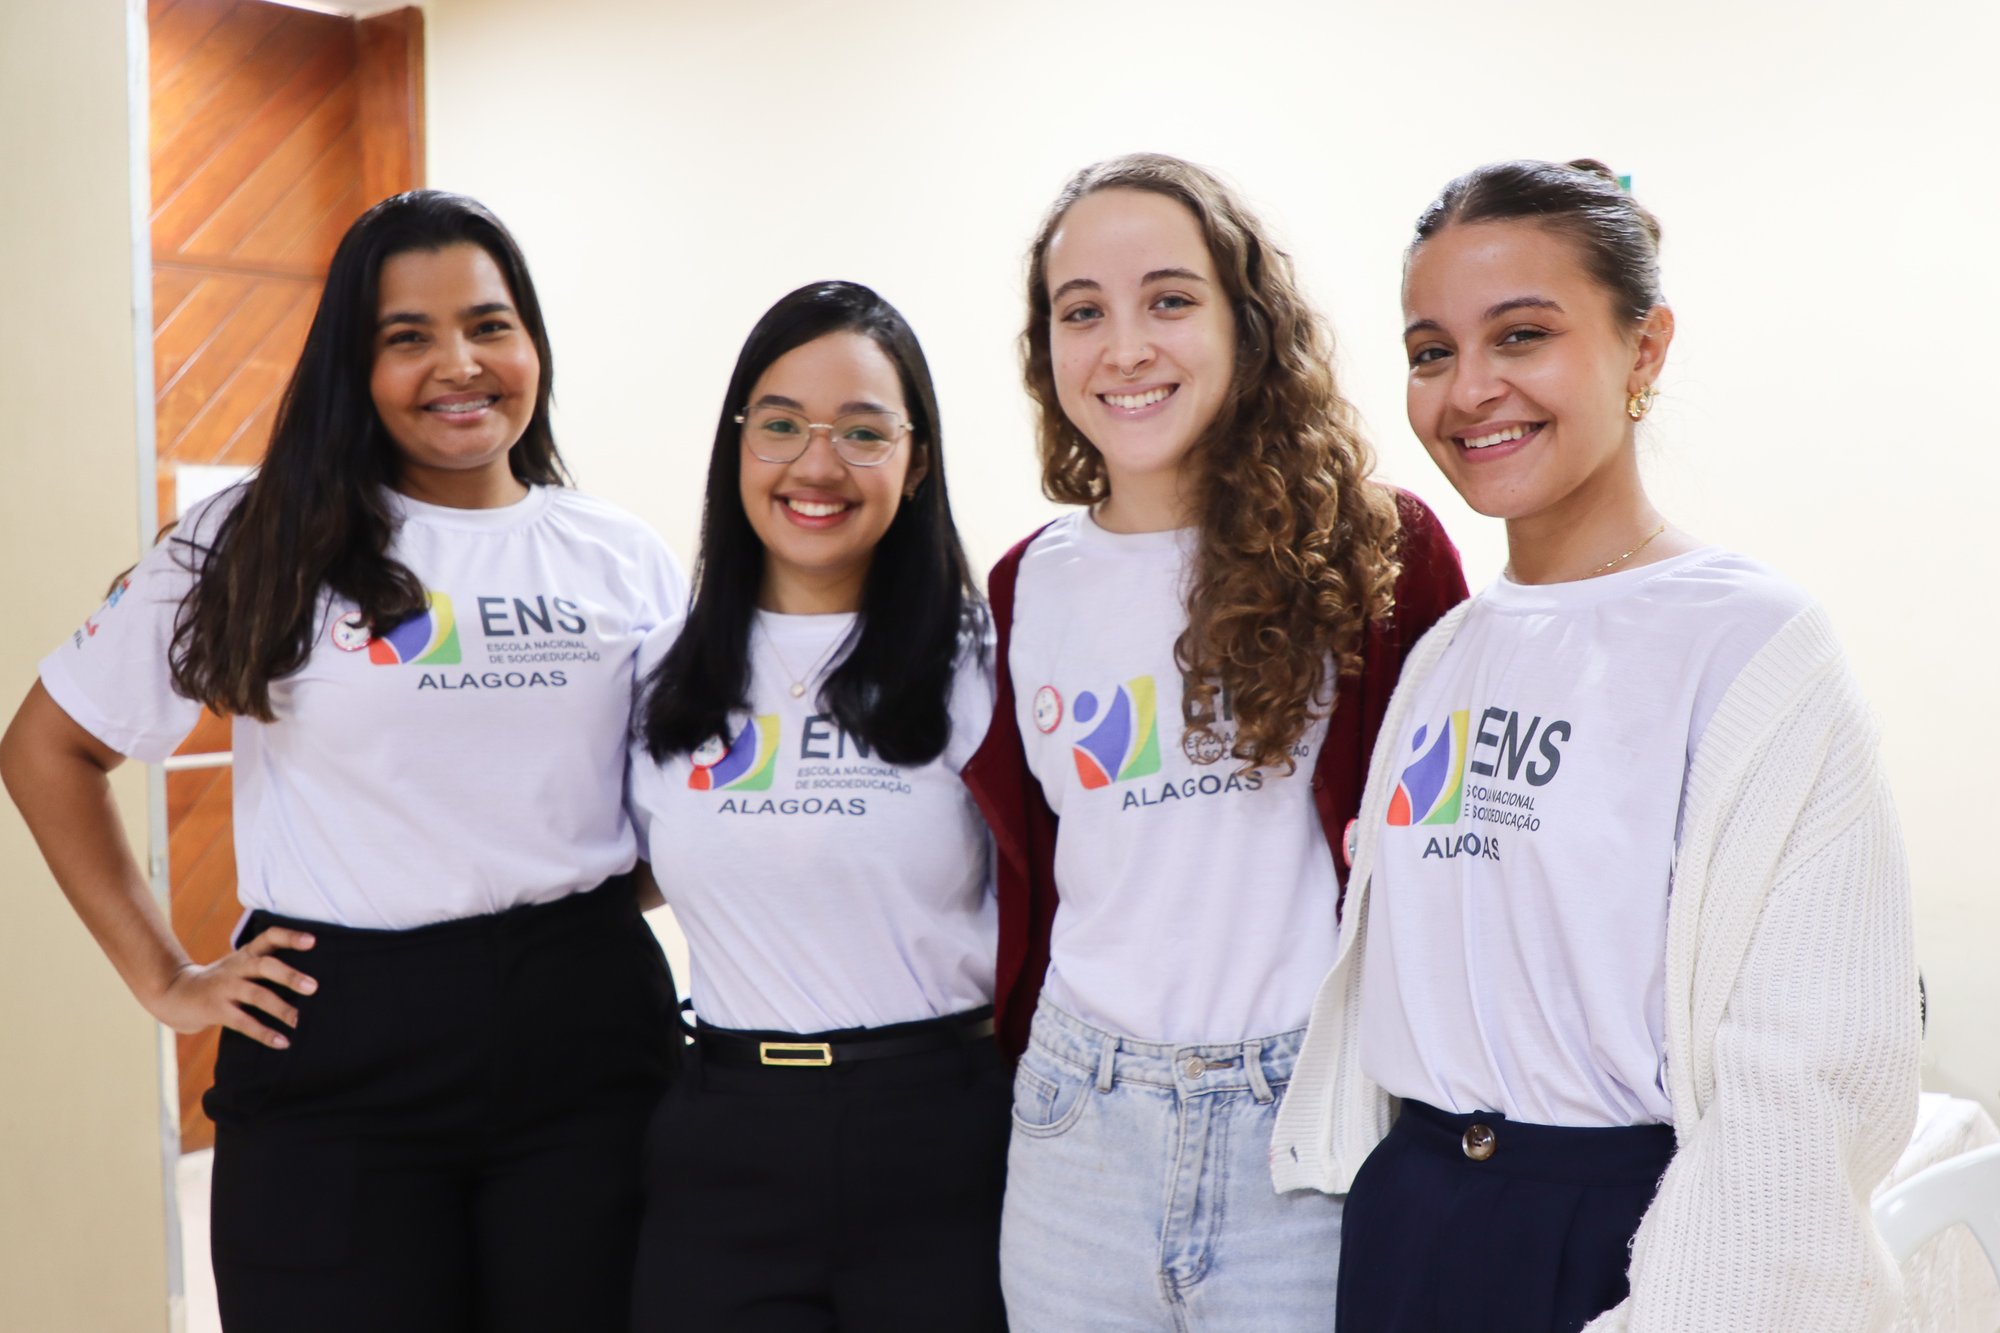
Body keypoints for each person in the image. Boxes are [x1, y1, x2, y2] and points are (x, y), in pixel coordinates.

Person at [0, 190, 684, 1333]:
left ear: (531, 342)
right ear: (352, 367)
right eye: (407, 336)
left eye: (489, 325)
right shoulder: (255, 537)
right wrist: (166, 979)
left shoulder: (620, 557)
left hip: (588, 1038)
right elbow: (48, 746)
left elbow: (672, 798)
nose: (458, 364)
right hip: (338, 1049)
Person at [1271, 159, 1921, 1333]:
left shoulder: (1751, 644)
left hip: (1630, 1238)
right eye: (1429, 350)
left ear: (1643, 349)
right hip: (1410, 1217)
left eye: (1520, 335)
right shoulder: (1446, 651)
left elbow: (1810, 1085)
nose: (1469, 388)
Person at [960, 152, 1467, 1329]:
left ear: (1245, 321)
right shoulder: (1025, 586)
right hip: (1077, 1127)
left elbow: (1450, 859)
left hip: (1307, 1131)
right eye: (1081, 311)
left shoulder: (1380, 555)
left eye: (1168, 299)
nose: (1123, 346)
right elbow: (1033, 876)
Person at [627, 281, 1006, 1331]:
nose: (816, 464)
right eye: (781, 424)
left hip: (940, 1131)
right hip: (726, 1135)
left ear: (916, 462)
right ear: (737, 444)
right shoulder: (658, 667)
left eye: (863, 431)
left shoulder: (985, 658)